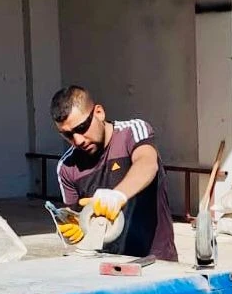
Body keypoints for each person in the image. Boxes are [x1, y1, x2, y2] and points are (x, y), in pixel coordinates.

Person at [51, 86, 178, 262]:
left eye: (82, 127)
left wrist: (117, 196)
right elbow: (74, 215)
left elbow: (147, 163)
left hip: (155, 262)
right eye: (68, 135)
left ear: (99, 112)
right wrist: (71, 228)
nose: (78, 140)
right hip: (104, 265)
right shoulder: (67, 167)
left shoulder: (131, 132)